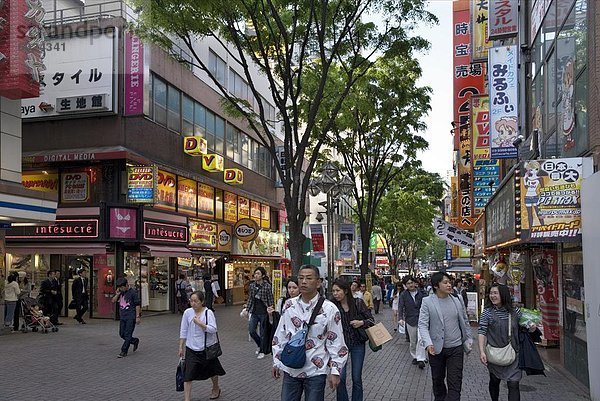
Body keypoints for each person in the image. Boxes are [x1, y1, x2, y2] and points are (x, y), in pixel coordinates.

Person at [272, 264, 347, 401]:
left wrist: (335, 371)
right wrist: (276, 361)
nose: (304, 281)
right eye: (301, 278)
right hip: (291, 368)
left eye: (308, 278)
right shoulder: (289, 305)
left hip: (315, 371)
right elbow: (281, 334)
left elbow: (336, 341)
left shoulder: (329, 309)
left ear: (318, 283)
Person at [419, 272, 473, 401]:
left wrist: (469, 338)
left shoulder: (457, 299)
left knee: (455, 382)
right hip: (436, 349)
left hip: (456, 348)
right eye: (445, 282)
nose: (449, 285)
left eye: (449, 282)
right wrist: (428, 343)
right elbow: (422, 325)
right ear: (436, 285)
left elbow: (464, 321)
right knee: (438, 381)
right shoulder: (427, 301)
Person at [478, 284, 536, 401]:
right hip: (494, 353)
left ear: (503, 295)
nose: (492, 296)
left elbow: (526, 324)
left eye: (495, 293)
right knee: (494, 380)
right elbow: (482, 332)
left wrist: (532, 327)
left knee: (513, 384)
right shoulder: (487, 313)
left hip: (514, 354)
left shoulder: (515, 311)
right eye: (491, 293)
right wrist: (482, 351)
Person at [179, 290, 225, 401]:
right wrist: (181, 346)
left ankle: (215, 388)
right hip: (191, 348)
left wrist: (201, 324)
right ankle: (187, 399)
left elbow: (213, 329)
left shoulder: (208, 313)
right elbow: (183, 330)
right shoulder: (187, 313)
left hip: (206, 348)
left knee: (213, 371)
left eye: (196, 301)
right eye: (191, 301)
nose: (193, 303)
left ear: (202, 302)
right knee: (188, 375)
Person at [331, 278, 372, 401]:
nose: (335, 294)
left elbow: (370, 320)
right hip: (339, 345)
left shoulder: (358, 303)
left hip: (357, 344)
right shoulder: (331, 306)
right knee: (341, 377)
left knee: (356, 378)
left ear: (346, 291)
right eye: (333, 291)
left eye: (338, 291)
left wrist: (361, 322)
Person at [397, 275, 427, 369]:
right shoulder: (403, 295)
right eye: (408, 283)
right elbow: (400, 307)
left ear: (415, 283)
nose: (410, 285)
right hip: (410, 320)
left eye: (411, 283)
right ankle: (415, 356)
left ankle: (421, 359)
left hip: (422, 319)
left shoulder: (422, 293)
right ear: (405, 285)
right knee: (413, 340)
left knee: (421, 339)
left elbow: (428, 304)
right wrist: (400, 318)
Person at [247, 266, 274, 359]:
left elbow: (270, 299)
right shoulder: (252, 285)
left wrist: (271, 310)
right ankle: (259, 344)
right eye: (255, 273)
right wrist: (247, 309)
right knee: (251, 330)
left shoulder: (267, 286)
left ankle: (262, 350)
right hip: (254, 311)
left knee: (263, 333)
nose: (256, 275)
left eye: (258, 273)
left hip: (264, 312)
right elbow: (250, 298)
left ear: (262, 275)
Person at [111, 278, 141, 358]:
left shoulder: (133, 293)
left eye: (122, 287)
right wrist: (117, 294)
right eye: (119, 287)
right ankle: (134, 341)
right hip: (123, 316)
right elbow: (113, 301)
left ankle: (124, 351)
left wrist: (138, 316)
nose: (121, 289)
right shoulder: (120, 293)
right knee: (122, 334)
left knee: (127, 334)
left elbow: (137, 305)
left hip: (131, 316)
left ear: (126, 285)